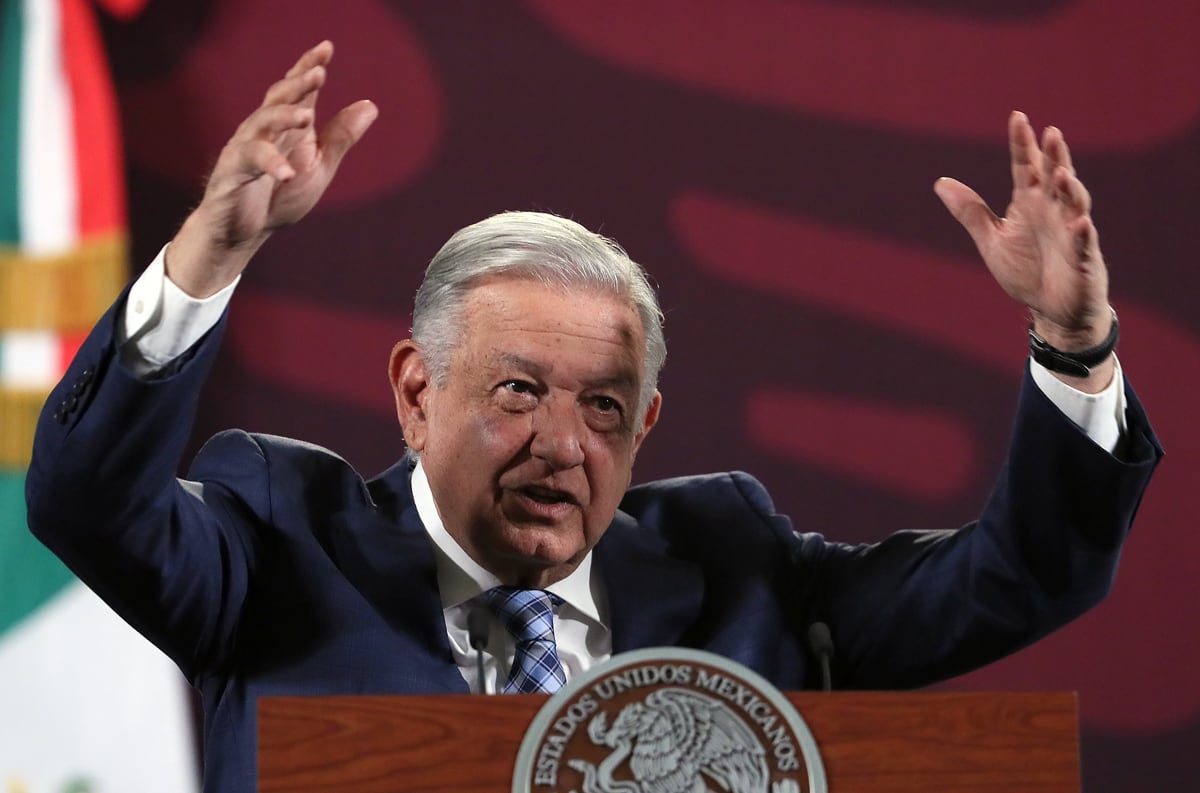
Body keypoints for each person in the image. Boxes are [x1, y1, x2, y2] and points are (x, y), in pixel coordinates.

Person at [25, 42, 1160, 793]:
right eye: (518, 392)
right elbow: (84, 501)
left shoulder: (740, 564)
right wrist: (208, 257)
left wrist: (1075, 345)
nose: (564, 443)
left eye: (605, 408)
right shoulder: (276, 539)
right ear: (418, 393)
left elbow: (1029, 573)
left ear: (648, 423)